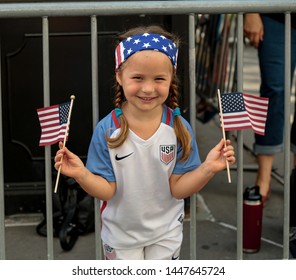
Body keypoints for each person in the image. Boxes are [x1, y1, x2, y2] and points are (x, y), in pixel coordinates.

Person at [54, 25, 235, 260]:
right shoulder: (107, 130)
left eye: (159, 79)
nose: (148, 88)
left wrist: (208, 168)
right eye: (137, 78)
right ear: (119, 76)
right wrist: (81, 174)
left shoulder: (179, 128)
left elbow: (179, 188)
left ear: (171, 80)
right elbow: (107, 190)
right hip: (120, 236)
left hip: (166, 233)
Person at [243, 13, 296, 257]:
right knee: (273, 90)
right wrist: (251, 10)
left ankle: (294, 180)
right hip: (275, 15)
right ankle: (263, 179)